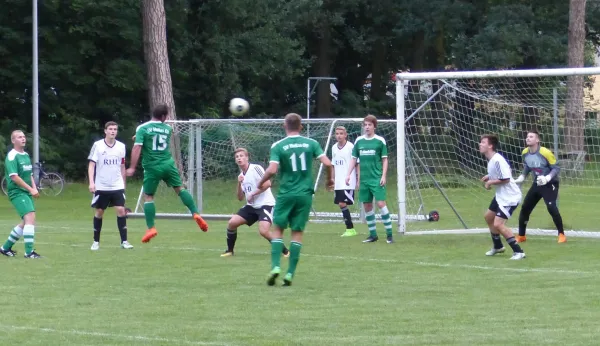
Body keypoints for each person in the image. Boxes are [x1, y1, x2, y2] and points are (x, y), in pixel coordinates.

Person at [257, 113, 333, 286]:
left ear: (285, 125)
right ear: (300, 126)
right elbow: (328, 163)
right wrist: (329, 180)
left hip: (286, 193)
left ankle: (276, 267)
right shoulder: (311, 143)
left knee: (277, 230)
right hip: (305, 194)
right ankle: (290, 273)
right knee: (297, 233)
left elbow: (272, 170)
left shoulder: (278, 146)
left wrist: (261, 182)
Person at [126, 104, 209, 243]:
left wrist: (132, 167)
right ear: (164, 116)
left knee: (149, 196)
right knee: (180, 189)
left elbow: (137, 147)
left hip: (152, 166)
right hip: (168, 164)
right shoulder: (168, 128)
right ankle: (195, 213)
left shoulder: (142, 128)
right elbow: (155, 136)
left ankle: (151, 228)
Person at [221, 147, 289, 257]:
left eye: (241, 156)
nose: (239, 158)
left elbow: (267, 184)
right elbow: (240, 198)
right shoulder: (241, 176)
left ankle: (285, 251)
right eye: (237, 157)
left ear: (247, 157)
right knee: (232, 223)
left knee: (264, 231)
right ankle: (230, 250)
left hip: (266, 204)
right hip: (252, 207)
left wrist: (253, 193)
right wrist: (239, 183)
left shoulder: (256, 168)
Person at [345, 114, 393, 244]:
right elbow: (354, 159)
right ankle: (373, 235)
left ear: (374, 126)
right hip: (364, 179)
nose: (367, 127)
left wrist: (383, 175)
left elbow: (384, 159)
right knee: (366, 205)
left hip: (376, 178)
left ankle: (389, 234)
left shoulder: (380, 141)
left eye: (369, 125)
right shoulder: (359, 141)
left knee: (381, 203)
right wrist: (349, 174)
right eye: (365, 125)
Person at [479, 134, 526, 260]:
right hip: (501, 195)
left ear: (490, 145)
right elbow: (504, 172)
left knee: (498, 224)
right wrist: (489, 176)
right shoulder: (492, 159)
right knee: (488, 217)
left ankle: (519, 252)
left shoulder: (497, 160)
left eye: (483, 142)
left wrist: (490, 182)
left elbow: (505, 178)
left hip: (510, 197)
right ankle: (498, 246)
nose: (480, 144)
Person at [88, 121, 133, 250]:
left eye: (115, 129)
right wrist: (91, 182)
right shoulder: (98, 146)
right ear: (105, 131)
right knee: (99, 212)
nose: (113, 131)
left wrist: (123, 184)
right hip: (101, 186)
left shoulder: (121, 147)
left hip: (117, 185)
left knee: (120, 210)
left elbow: (122, 166)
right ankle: (96, 242)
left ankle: (124, 241)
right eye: (111, 129)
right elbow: (92, 165)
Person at [514, 130, 566, 243]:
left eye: (531, 136)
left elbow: (556, 168)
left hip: (550, 184)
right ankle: (521, 236)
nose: (528, 138)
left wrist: (547, 178)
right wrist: (522, 176)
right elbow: (528, 166)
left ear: (537, 140)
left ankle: (561, 234)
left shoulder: (545, 152)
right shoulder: (525, 152)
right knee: (525, 208)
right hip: (537, 183)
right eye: (527, 136)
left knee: (551, 207)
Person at [0, 130, 41, 258]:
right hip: (17, 192)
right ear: (13, 141)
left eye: (24, 137)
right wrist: (30, 189)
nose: (23, 139)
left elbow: (29, 174)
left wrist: (34, 188)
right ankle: (29, 253)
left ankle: (5, 248)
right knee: (30, 218)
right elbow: (14, 177)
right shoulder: (12, 156)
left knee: (26, 221)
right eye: (19, 137)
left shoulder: (26, 155)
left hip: (26, 192)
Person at [332, 126, 358, 237]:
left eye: (341, 133)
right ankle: (350, 228)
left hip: (348, 181)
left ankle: (350, 229)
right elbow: (333, 164)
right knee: (340, 204)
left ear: (345, 135)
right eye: (337, 133)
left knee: (342, 203)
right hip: (338, 181)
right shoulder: (333, 147)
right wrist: (332, 179)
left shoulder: (350, 147)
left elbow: (357, 163)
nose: (339, 135)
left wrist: (358, 179)